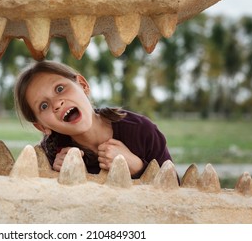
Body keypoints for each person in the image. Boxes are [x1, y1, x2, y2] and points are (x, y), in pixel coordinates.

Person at [14, 60, 173, 179]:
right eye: (43, 106)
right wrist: (55, 177)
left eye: (60, 89)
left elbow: (175, 191)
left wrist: (137, 167)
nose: (56, 103)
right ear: (42, 127)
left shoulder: (142, 130)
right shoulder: (48, 157)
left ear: (83, 85)